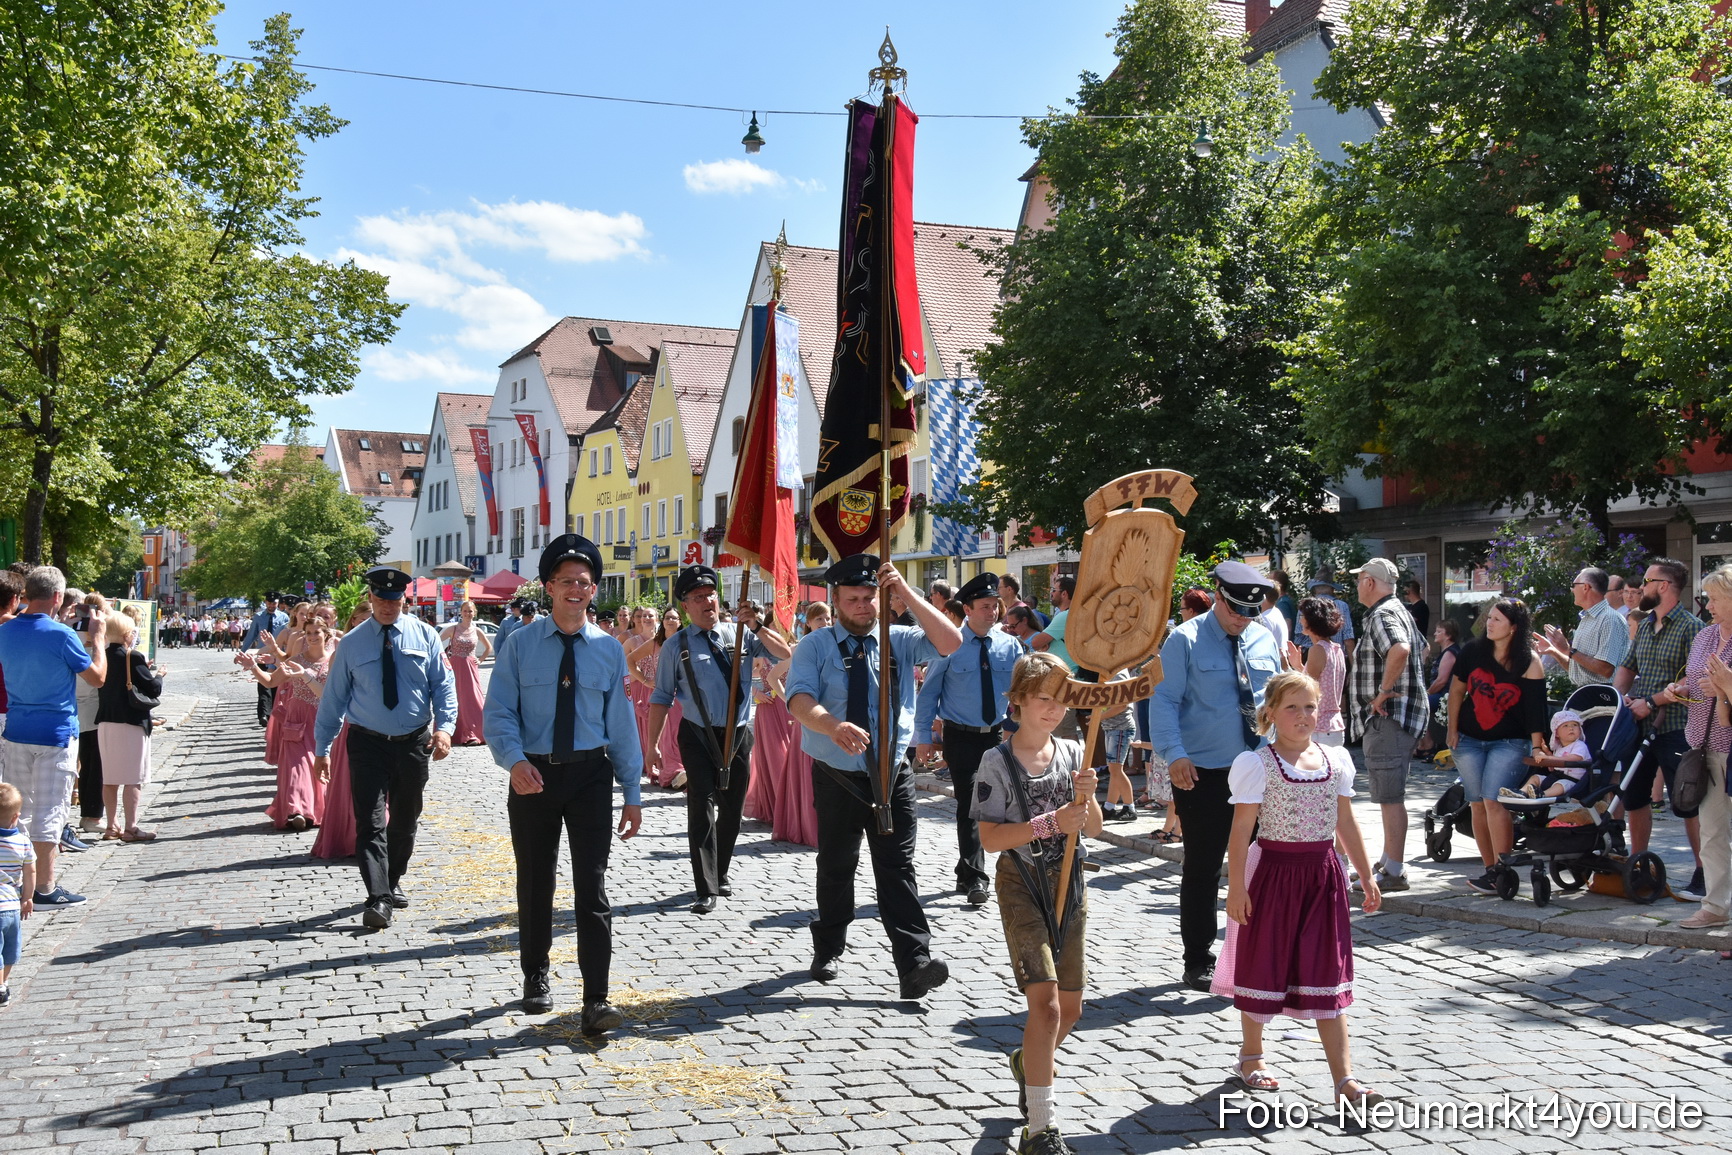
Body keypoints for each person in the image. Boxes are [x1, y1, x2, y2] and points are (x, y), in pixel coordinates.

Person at [785, 554, 963, 1000]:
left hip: (891, 773)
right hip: (838, 774)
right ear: (837, 601)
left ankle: (915, 964)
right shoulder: (816, 645)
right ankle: (828, 945)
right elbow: (798, 698)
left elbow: (951, 641)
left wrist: (905, 592)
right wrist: (832, 725)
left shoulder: (899, 638)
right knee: (837, 865)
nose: (863, 606)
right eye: (853, 599)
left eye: (870, 597)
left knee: (897, 867)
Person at [484, 535, 642, 1031]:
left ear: (594, 590)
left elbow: (620, 725)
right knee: (535, 881)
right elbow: (499, 714)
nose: (576, 589)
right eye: (566, 581)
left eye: (584, 582)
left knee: (591, 887)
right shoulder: (519, 645)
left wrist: (633, 792)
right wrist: (512, 762)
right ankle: (536, 974)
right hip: (533, 775)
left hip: (590, 776)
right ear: (549, 587)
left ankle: (596, 997)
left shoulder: (608, 652)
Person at [1214, 671, 1384, 1107]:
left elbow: (1345, 822)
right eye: (1292, 707)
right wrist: (1236, 888)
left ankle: (1344, 1080)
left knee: (1327, 969)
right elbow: (1240, 832)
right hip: (1272, 875)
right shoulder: (1257, 764)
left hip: (1321, 878)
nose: (1303, 715)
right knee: (1264, 962)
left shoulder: (1335, 760)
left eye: (1310, 706)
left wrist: (1365, 874)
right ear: (1270, 714)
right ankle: (1251, 1054)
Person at [974, 652, 1101, 1155]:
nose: (1052, 710)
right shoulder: (996, 761)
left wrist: (1087, 801)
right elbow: (989, 838)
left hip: (1071, 886)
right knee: (1045, 1008)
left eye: (1059, 700)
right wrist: (1052, 823)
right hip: (1022, 884)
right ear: (1019, 700)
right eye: (1042, 699)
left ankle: (1028, 1065)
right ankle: (1040, 1126)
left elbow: (1092, 829)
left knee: (1070, 1010)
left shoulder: (1073, 752)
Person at [1148, 561, 1282, 990]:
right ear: (1219, 597)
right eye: (1236, 610)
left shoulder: (1263, 637)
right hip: (1202, 771)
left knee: (1264, 866)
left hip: (1260, 770)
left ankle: (1260, 950)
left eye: (1251, 611)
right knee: (1203, 867)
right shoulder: (1184, 640)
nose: (1243, 618)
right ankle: (1198, 957)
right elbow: (1165, 701)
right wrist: (1174, 754)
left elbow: (1274, 700)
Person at [313, 567, 458, 929]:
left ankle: (391, 882)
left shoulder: (425, 636)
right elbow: (333, 699)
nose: (388, 607)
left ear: (404, 601)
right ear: (371, 598)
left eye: (395, 601)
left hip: (413, 743)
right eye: (381, 600)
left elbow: (443, 686)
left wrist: (445, 728)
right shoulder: (352, 643)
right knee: (371, 822)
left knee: (405, 822)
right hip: (367, 743)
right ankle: (378, 898)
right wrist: (322, 748)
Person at [648, 565, 790, 914]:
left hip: (739, 733)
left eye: (711, 594)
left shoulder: (738, 634)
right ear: (685, 605)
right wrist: (651, 745)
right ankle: (705, 885)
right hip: (698, 735)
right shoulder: (675, 646)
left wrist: (756, 624)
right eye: (698, 597)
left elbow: (784, 654)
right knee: (701, 808)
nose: (707, 601)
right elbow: (662, 697)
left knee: (732, 810)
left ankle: (720, 870)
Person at [912, 572, 1024, 905]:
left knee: (998, 804)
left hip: (996, 737)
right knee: (973, 805)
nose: (992, 612)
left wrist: (1020, 727)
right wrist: (924, 738)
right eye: (985, 606)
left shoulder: (1010, 645)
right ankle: (977, 877)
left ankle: (966, 869)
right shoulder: (949, 646)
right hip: (960, 737)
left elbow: (1021, 692)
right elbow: (928, 694)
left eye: (995, 606)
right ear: (968, 609)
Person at [0, 567, 109, 906]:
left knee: (21, 810)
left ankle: (17, 882)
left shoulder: (5, 631)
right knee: (50, 810)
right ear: (58, 597)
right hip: (55, 733)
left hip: (17, 728)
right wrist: (100, 639)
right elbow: (97, 678)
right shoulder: (61, 635)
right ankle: (44, 887)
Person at [1613, 557, 1706, 898]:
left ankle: (1702, 872)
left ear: (1664, 586)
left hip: (1677, 727)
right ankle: (1641, 865)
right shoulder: (1646, 624)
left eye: (1647, 581)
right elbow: (1627, 667)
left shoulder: (1692, 627)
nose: (1640, 589)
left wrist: (1651, 701)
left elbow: (1692, 683)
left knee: (1687, 802)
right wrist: (1618, 697)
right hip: (1639, 727)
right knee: (1636, 798)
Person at [1446, 598, 1548, 894]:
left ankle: (1503, 871)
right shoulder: (1472, 651)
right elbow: (1456, 690)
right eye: (1489, 618)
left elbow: (1535, 710)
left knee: (1495, 801)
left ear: (1514, 628)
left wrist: (1538, 747)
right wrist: (1451, 730)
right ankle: (1490, 871)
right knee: (1477, 803)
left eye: (1497, 620)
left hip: (1510, 742)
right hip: (1468, 740)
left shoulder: (1529, 661)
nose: (1489, 623)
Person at [1344, 558, 1429, 892]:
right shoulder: (1399, 609)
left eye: (1358, 579)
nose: (1356, 585)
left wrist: (1383, 693)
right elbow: (1423, 650)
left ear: (1368, 582)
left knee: (1389, 795)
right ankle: (1387, 862)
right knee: (1388, 793)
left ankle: (1393, 870)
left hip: (1388, 717)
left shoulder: (1382, 614)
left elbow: (1403, 649)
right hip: (1398, 715)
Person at [1668, 563, 1732, 929]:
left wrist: (1723, 687)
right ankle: (1715, 906)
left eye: (1716, 598)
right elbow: (1696, 680)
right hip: (1703, 745)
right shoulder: (1705, 636)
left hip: (1731, 746)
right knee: (1711, 832)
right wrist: (1684, 690)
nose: (1708, 605)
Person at [95, 610, 162, 842]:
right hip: (131, 721)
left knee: (110, 778)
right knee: (134, 777)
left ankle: (111, 825)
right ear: (126, 633)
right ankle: (131, 827)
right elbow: (153, 688)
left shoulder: (101, 654)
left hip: (106, 720)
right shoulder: (132, 656)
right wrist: (159, 675)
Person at [1533, 567, 1627, 689]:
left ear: (1585, 587)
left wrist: (1568, 650)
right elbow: (1579, 670)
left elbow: (1605, 670)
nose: (1572, 590)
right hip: (1587, 694)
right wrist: (1553, 651)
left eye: (1574, 585)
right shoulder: (1587, 619)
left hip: (1604, 696)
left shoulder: (1610, 619)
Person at [1291, 596, 1345, 746]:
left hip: (1320, 727)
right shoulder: (1336, 649)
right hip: (1333, 725)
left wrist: (1284, 667)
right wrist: (1298, 666)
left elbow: (1306, 689)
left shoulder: (1318, 649)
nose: (1300, 619)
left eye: (1302, 616)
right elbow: (1321, 680)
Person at [1502, 710, 1592, 799]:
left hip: (1572, 781)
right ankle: (1522, 793)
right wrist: (1547, 753)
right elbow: (1554, 766)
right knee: (1535, 777)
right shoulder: (1558, 748)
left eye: (1575, 725)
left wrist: (1548, 757)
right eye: (1565, 726)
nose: (1571, 728)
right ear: (1556, 733)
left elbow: (1574, 758)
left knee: (1560, 785)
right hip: (1555, 777)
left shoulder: (1580, 745)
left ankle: (1542, 794)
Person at [0, 782, 34, 1007]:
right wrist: (28, 898)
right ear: (16, 817)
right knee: (10, 948)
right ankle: (3, 983)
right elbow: (30, 871)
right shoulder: (22, 842)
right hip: (12, 906)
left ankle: (0, 986)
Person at [440, 600, 492, 746]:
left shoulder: (477, 630)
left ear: (474, 613)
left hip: (470, 667)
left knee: (473, 698)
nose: (468, 614)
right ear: (461, 612)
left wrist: (480, 660)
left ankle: (475, 732)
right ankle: (455, 732)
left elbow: (489, 647)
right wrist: (444, 658)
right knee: (455, 698)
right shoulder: (453, 629)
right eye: (465, 611)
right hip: (455, 666)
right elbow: (436, 642)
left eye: (470, 611)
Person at [240, 594, 288, 727]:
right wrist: (243, 652)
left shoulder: (284, 617)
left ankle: (273, 714)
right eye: (270, 603)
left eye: (275, 603)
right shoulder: (259, 617)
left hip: (277, 656)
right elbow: (251, 635)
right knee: (263, 685)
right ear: (266, 602)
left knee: (275, 685)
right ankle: (263, 714)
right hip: (261, 655)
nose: (272, 606)